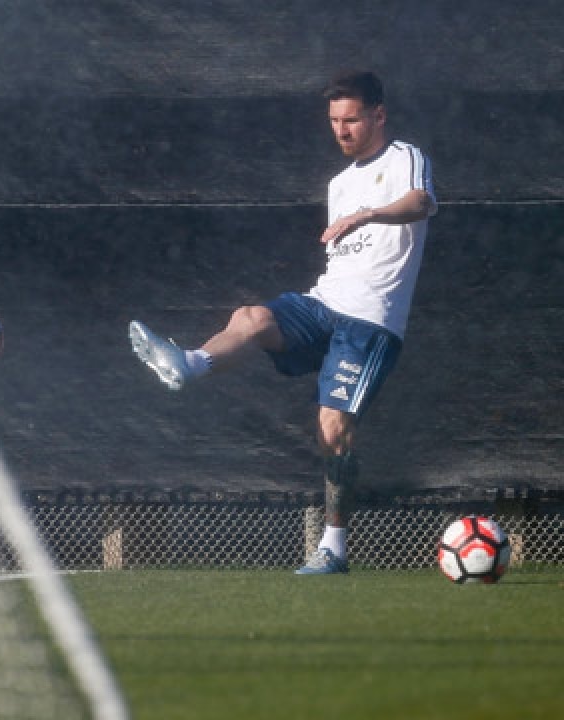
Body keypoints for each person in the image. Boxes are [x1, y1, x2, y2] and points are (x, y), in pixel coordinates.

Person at [128, 69, 436, 575]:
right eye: (334, 121)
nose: (341, 130)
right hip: (323, 305)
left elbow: (419, 204)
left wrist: (366, 215)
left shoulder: (405, 158)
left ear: (378, 115)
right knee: (251, 317)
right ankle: (189, 363)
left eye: (352, 119)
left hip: (370, 323)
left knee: (332, 427)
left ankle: (333, 548)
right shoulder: (339, 183)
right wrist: (352, 215)